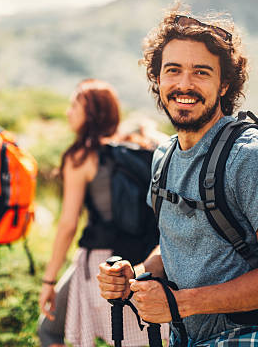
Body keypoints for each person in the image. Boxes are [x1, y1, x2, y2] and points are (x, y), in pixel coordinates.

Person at [97, 7, 258, 346]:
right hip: (185, 335)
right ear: (158, 79)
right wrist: (133, 275)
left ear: (224, 84)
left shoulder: (251, 157)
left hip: (250, 336)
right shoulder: (164, 157)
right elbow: (180, 245)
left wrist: (179, 304)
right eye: (173, 70)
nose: (184, 84)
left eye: (201, 72)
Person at [38, 79, 166, 347]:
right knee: (133, 338)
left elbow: (68, 225)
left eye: (75, 105)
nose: (67, 111)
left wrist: (49, 279)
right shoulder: (132, 149)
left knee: (50, 330)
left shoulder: (82, 157)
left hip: (101, 262)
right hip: (140, 258)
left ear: (91, 113)